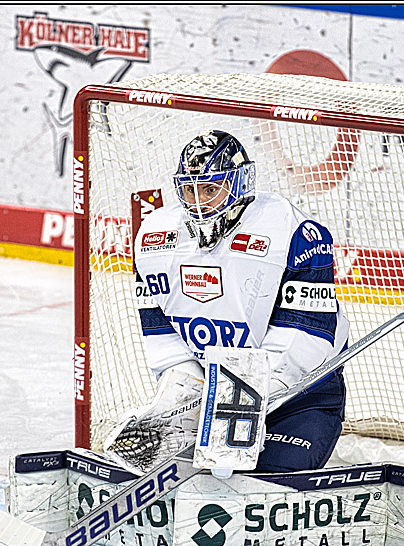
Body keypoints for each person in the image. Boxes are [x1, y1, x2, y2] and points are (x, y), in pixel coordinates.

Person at [127, 130, 349, 473]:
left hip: (298, 397)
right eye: (189, 190)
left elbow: (306, 335)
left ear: (239, 183)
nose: (198, 202)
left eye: (210, 189)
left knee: (265, 489)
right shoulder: (156, 238)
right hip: (210, 394)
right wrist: (185, 390)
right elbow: (160, 328)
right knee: (157, 479)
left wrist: (243, 400)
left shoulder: (292, 231)